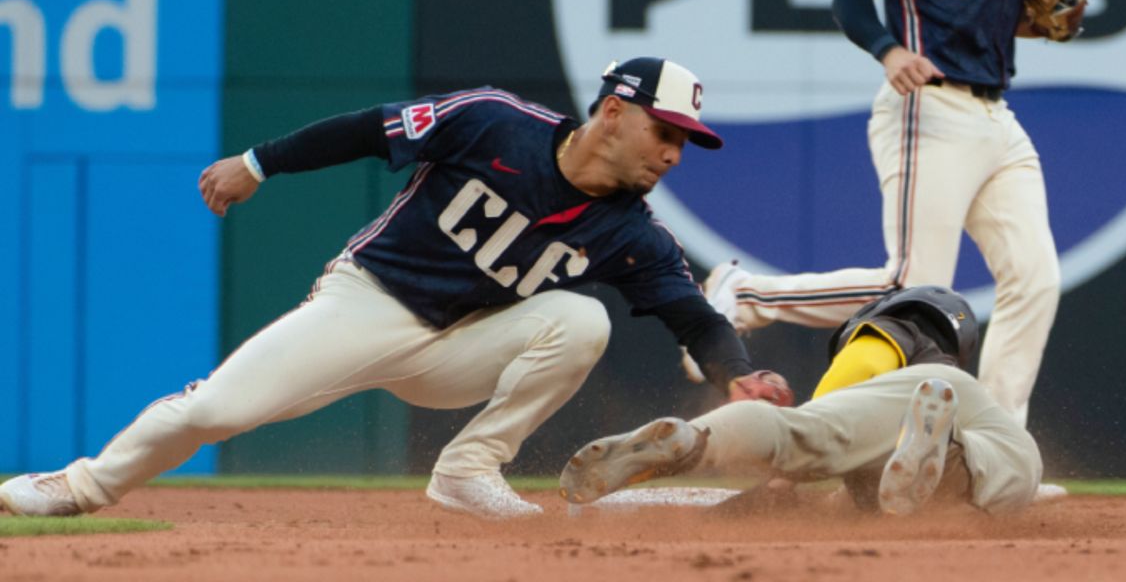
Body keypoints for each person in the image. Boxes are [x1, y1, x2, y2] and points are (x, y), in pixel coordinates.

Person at [0, 57, 792, 521]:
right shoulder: (494, 122)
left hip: (465, 349)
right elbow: (366, 129)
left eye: (687, 141)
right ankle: (78, 486)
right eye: (667, 133)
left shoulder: (634, 232)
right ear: (614, 113)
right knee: (216, 410)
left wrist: (737, 377)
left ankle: (468, 470)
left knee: (581, 319)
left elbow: (691, 315)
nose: (677, 155)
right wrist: (258, 162)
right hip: (371, 301)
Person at [703, 0, 1079, 427]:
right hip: (929, 105)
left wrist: (1041, 21)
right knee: (914, 288)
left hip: (996, 113)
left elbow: (991, 18)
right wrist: (888, 49)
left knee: (1035, 277)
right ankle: (750, 296)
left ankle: (994, 441)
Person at [560, 364, 1042, 516]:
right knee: (1018, 468)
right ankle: (947, 460)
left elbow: (806, 448)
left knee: (804, 436)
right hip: (947, 401)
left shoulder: (860, 357)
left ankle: (696, 439)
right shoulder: (918, 343)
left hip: (899, 406)